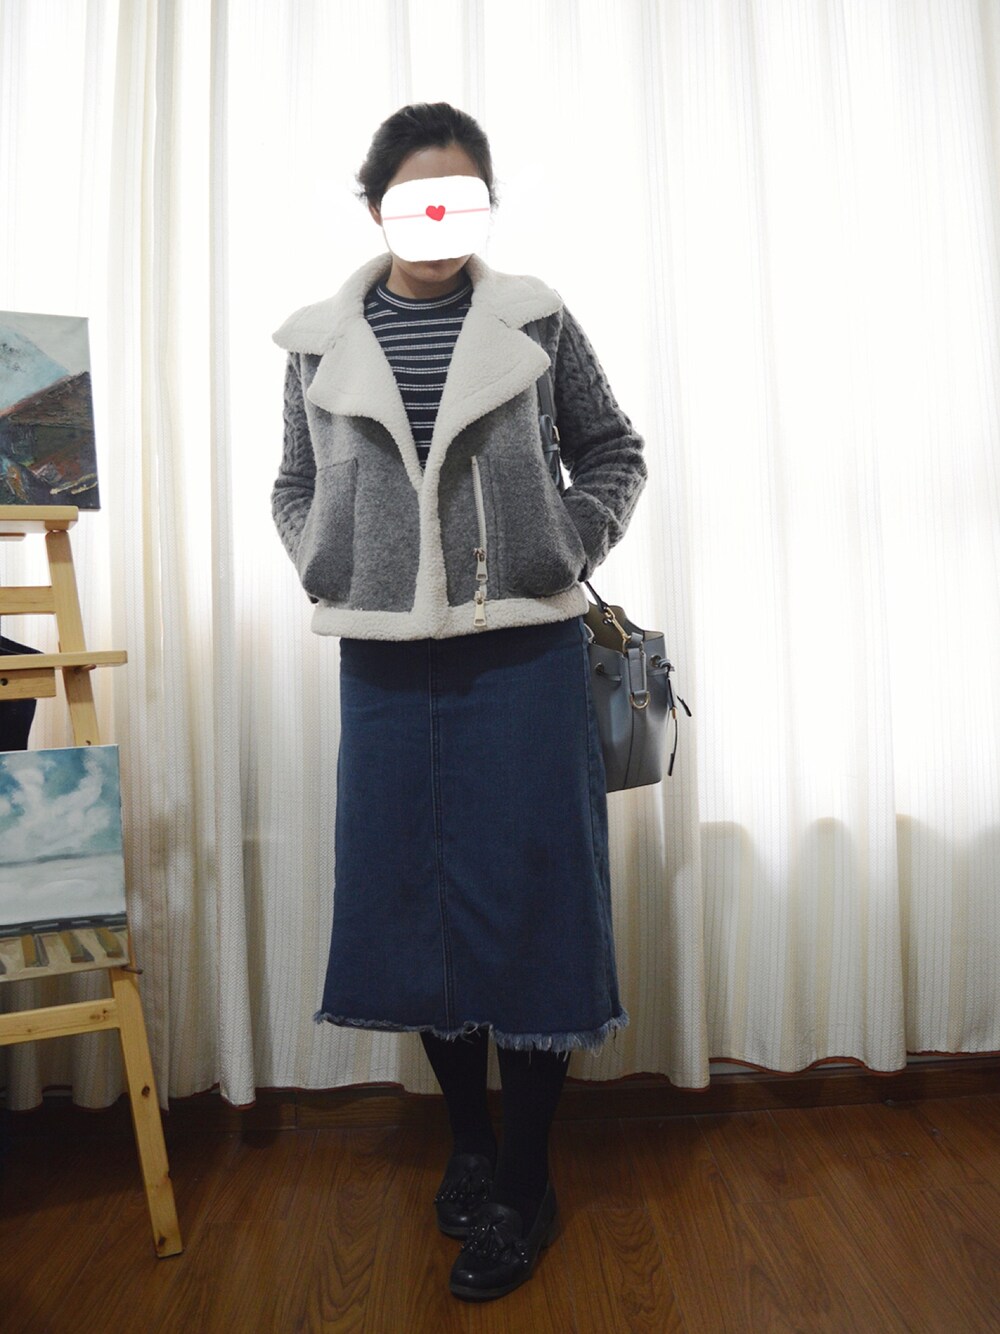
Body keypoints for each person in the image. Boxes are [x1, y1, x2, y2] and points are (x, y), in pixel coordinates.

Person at [271, 101, 647, 1303]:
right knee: (416, 906)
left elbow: (614, 448)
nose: (436, 221)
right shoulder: (317, 342)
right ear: (374, 204)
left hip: (524, 656)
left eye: (459, 198)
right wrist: (326, 558)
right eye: (413, 198)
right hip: (385, 663)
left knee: (529, 909)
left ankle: (526, 1182)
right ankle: (471, 1147)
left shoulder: (533, 319)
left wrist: (561, 547)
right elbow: (292, 481)